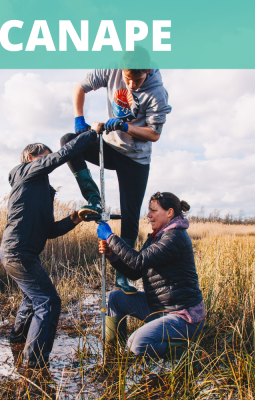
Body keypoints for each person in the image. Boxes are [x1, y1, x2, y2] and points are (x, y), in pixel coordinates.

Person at [61, 46, 172, 294]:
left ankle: (123, 276)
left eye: (137, 79)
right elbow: (79, 87)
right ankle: (93, 198)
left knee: (130, 216)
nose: (131, 84)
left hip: (136, 159)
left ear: (148, 70)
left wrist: (124, 125)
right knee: (69, 141)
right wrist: (80, 119)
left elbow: (154, 134)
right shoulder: (112, 68)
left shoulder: (156, 92)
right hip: (110, 147)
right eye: (127, 78)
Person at [0, 125, 101, 369]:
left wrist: (75, 218)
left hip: (19, 252)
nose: (49, 161)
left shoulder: (42, 190)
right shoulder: (24, 172)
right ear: (30, 158)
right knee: (49, 301)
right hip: (18, 251)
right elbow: (61, 155)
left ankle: (17, 342)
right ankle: (34, 363)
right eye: (43, 157)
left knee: (32, 300)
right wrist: (92, 134)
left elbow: (49, 231)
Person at [97, 192, 205, 358]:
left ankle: (187, 352)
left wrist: (110, 237)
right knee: (116, 298)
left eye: (154, 211)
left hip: (182, 317)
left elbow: (138, 260)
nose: (148, 215)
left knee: (137, 343)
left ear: (169, 213)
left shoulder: (175, 237)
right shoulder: (157, 237)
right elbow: (136, 272)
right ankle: (113, 355)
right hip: (159, 308)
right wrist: (112, 255)